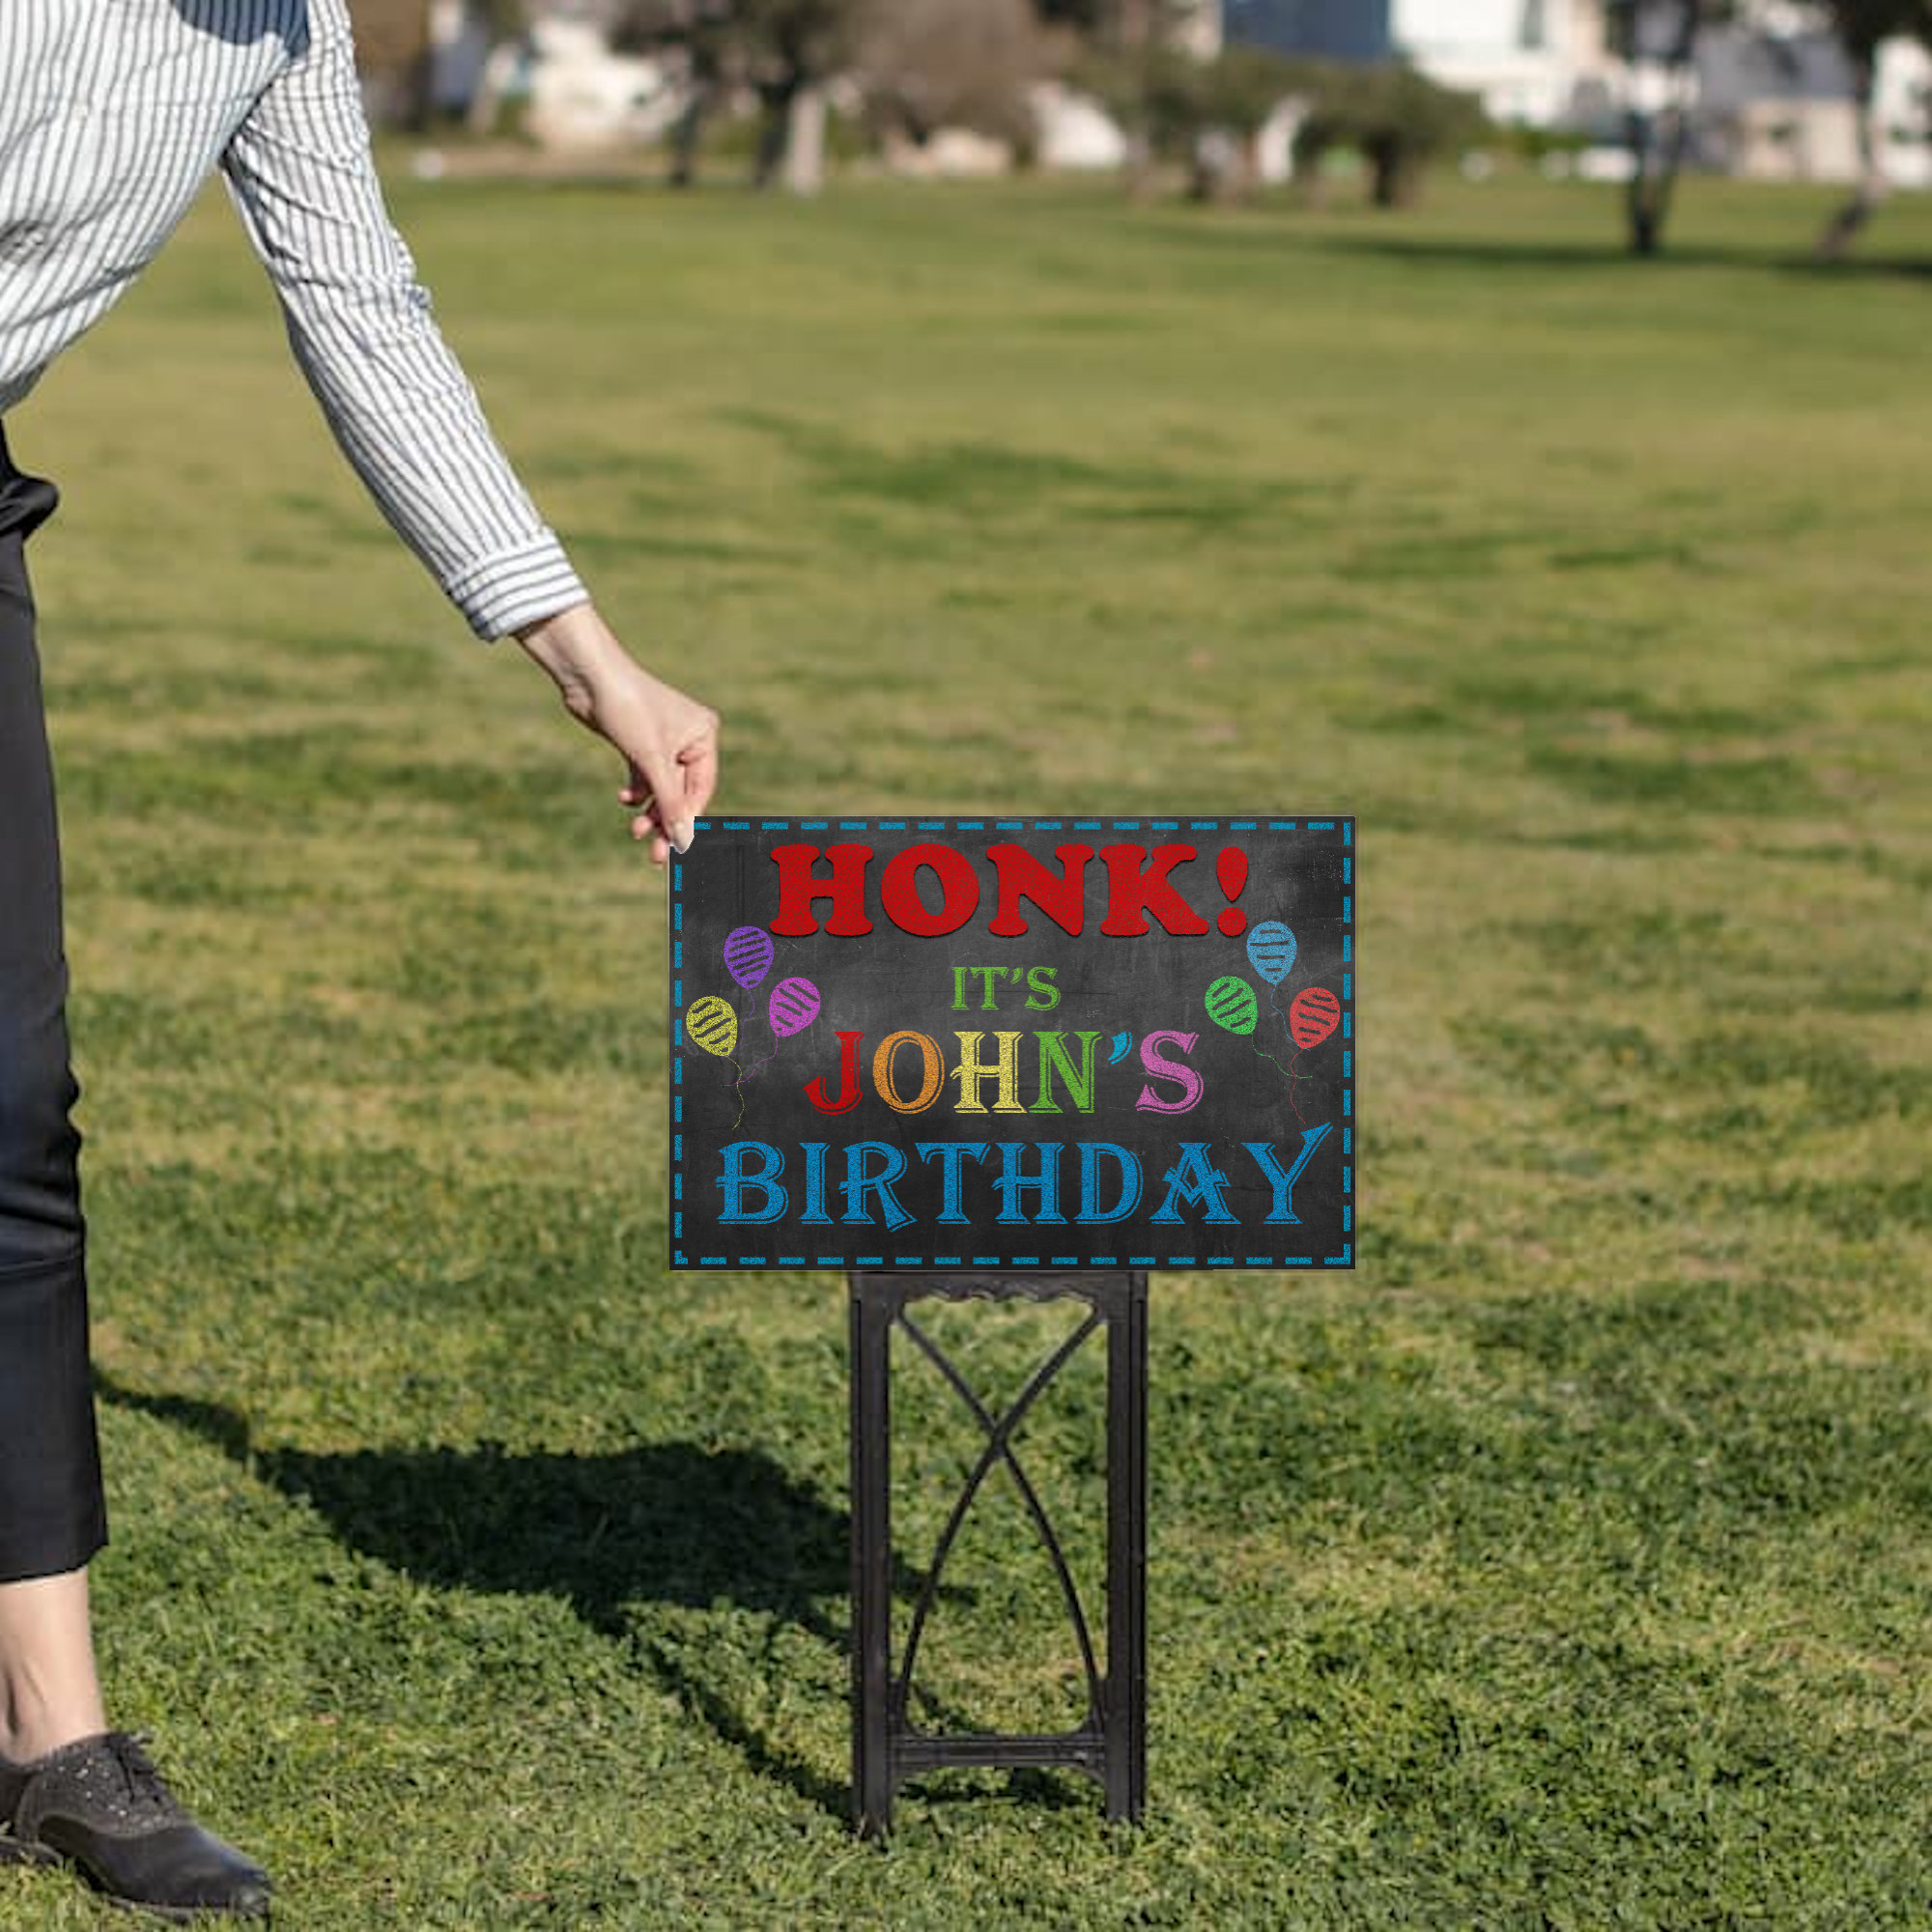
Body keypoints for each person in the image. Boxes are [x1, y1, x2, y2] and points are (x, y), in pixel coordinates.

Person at [1, 2, 718, 1917]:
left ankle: (47, 1740)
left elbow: (362, 308)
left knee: (4, 1114)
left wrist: (589, 658)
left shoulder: (287, 32)